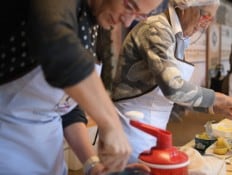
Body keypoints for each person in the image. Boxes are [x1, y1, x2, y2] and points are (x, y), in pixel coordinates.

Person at [0, 0, 163, 174]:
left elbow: (66, 106)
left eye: (140, 15)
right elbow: (58, 49)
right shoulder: (58, 11)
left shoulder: (95, 21)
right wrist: (110, 122)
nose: (128, 22)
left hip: (50, 164)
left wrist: (93, 164)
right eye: (129, 6)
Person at [111, 0, 232, 163]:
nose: (205, 25)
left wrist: (216, 106)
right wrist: (221, 98)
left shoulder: (177, 36)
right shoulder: (156, 29)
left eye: (210, 20)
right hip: (131, 128)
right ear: (184, 7)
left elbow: (177, 96)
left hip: (153, 126)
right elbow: (173, 89)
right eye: (205, 16)